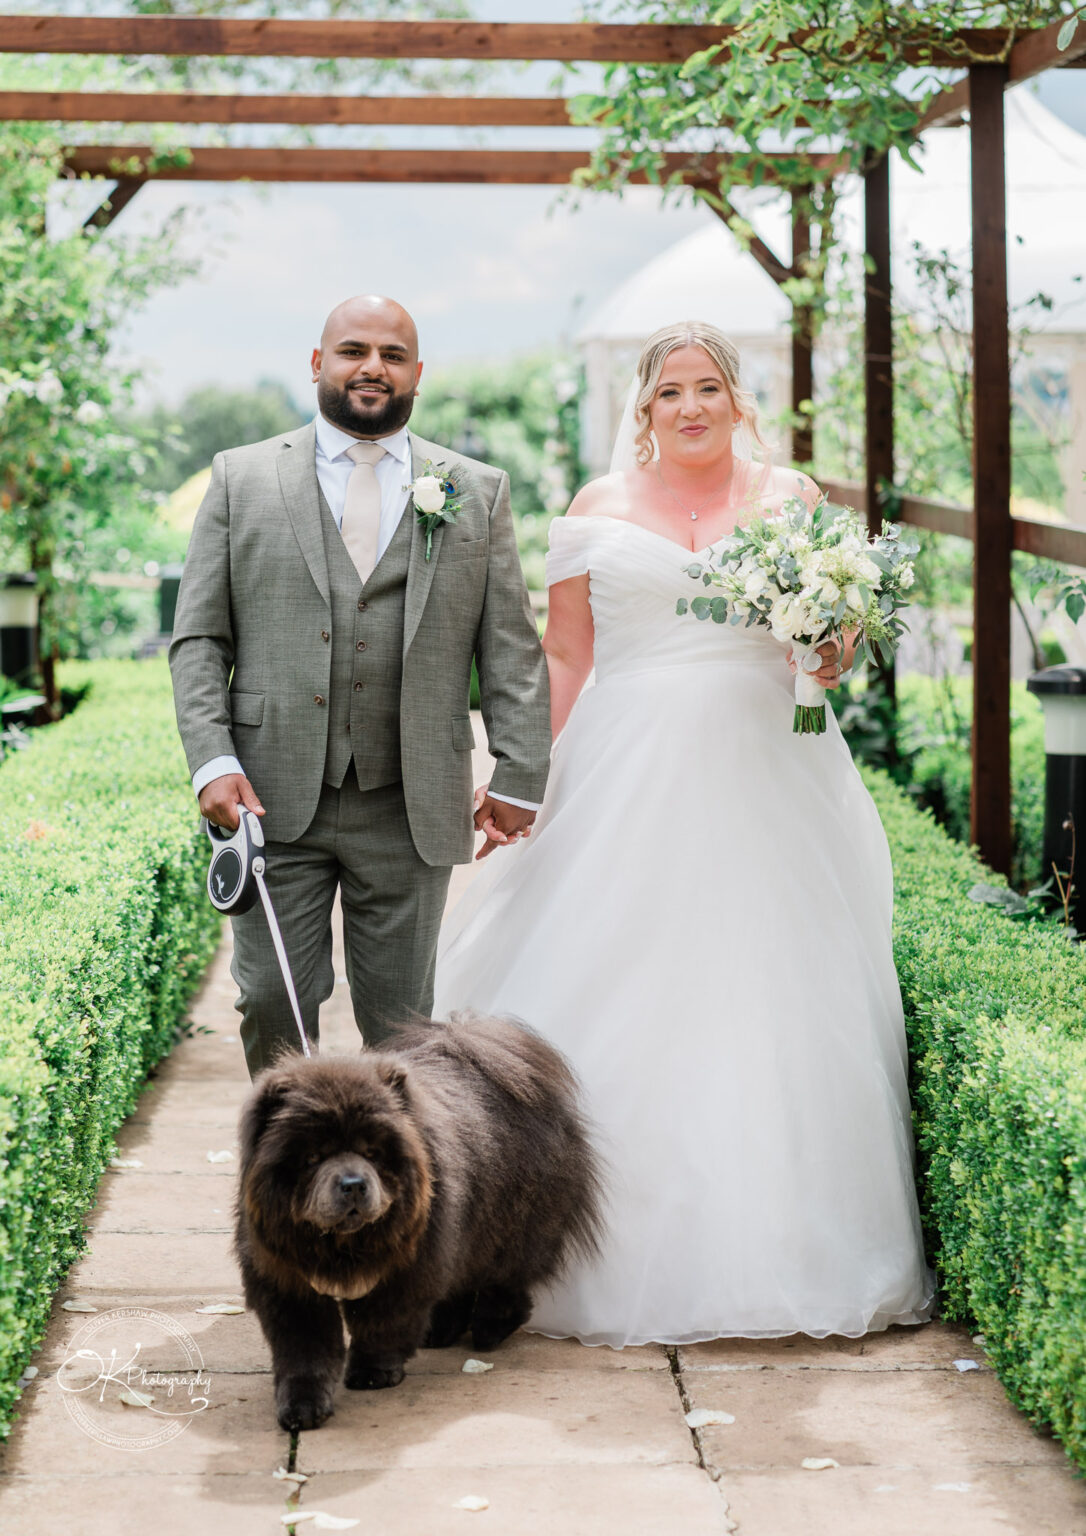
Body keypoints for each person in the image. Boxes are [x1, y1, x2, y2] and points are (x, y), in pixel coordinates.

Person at [434, 320, 934, 1346]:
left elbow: (832, 641)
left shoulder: (789, 501)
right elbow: (565, 658)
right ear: (645, 408)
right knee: (613, 970)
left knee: (773, 993)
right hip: (626, 770)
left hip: (771, 771)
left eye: (709, 387)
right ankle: (568, 1246)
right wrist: (524, 779)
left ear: (739, 400)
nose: (692, 406)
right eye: (671, 392)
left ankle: (787, 1247)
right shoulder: (596, 508)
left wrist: (827, 651)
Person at [169, 294, 551, 1079]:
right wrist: (211, 760)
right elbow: (199, 636)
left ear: (417, 374)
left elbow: (509, 644)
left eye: (392, 354)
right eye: (352, 350)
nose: (371, 367)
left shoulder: (476, 490)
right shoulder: (242, 479)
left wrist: (519, 773)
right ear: (318, 363)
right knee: (271, 1000)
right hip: (271, 795)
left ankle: (400, 1196)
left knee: (406, 1031)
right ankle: (282, 1191)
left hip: (409, 799)